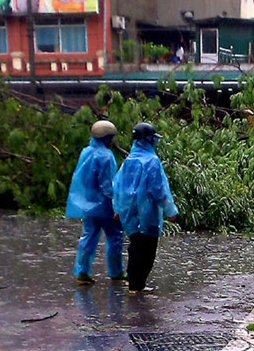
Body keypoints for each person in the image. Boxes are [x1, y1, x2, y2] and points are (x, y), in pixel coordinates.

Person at [113, 122, 179, 294]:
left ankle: (133, 281)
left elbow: (117, 186)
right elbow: (159, 189)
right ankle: (137, 284)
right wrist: (171, 210)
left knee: (135, 245)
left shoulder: (129, 160)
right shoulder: (152, 161)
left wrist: (118, 209)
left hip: (129, 212)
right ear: (149, 139)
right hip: (148, 213)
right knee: (148, 251)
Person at [66, 120, 126, 285]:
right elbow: (107, 185)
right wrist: (117, 204)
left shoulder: (86, 152)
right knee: (115, 237)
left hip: (89, 204)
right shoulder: (106, 156)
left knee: (89, 236)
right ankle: (116, 271)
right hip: (105, 205)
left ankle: (82, 271)